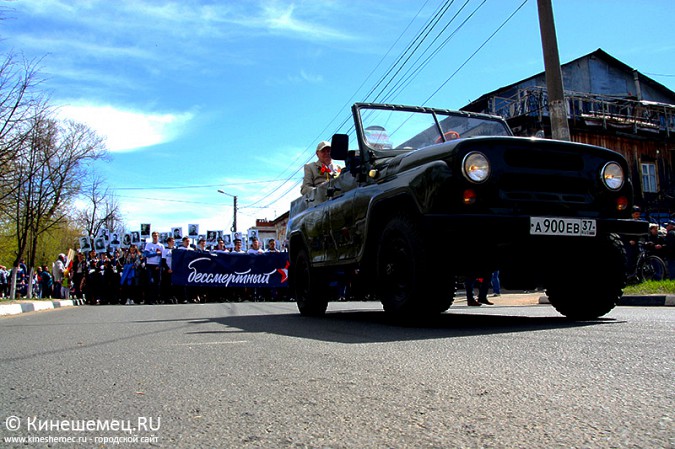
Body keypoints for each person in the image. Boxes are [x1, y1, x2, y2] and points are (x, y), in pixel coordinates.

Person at [144, 231, 165, 304]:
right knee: (150, 282)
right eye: (153, 235)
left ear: (158, 237)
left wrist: (159, 265)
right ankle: (149, 299)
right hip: (150, 265)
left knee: (157, 283)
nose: (155, 237)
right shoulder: (148, 245)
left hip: (157, 266)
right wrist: (156, 253)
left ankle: (156, 299)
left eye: (156, 235)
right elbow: (146, 255)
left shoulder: (161, 246)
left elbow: (163, 257)